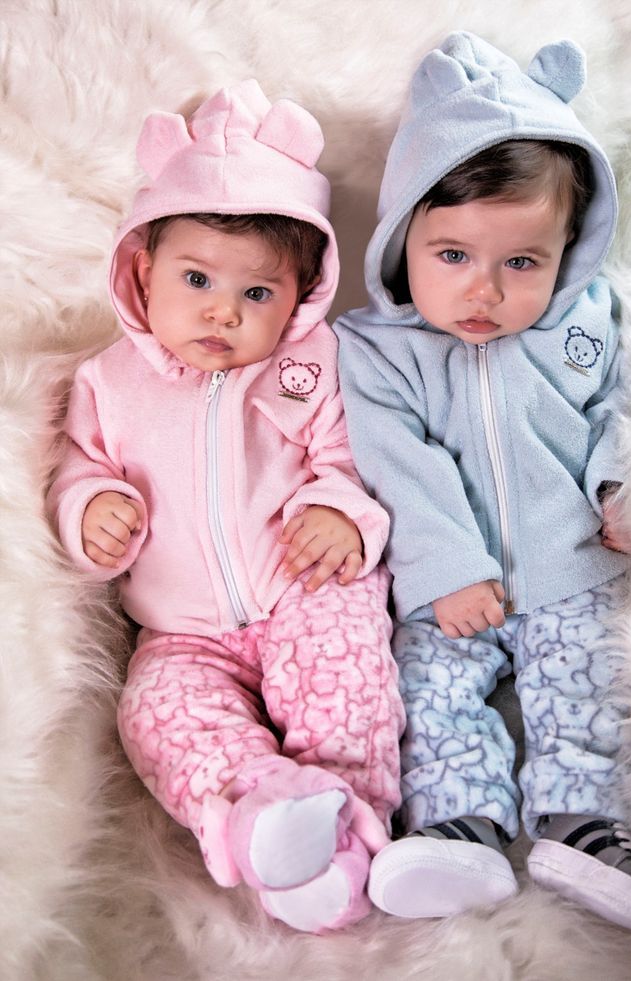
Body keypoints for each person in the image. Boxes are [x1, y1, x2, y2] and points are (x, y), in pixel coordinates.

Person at [48, 80, 405, 935]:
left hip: (301, 589)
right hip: (182, 632)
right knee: (155, 712)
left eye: (257, 294)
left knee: (343, 670)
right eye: (197, 278)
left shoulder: (310, 363)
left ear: (302, 293)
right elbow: (78, 468)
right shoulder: (109, 382)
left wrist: (338, 508)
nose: (222, 310)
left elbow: (352, 455)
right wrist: (91, 507)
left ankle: (353, 826)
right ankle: (262, 812)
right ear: (144, 272)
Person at [334, 33, 631, 931]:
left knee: (588, 686)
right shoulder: (375, 351)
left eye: (521, 263)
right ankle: (459, 828)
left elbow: (619, 406)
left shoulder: (584, 323)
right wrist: (447, 569)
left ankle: (585, 826)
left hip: (569, 561)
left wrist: (616, 486)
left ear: (567, 252)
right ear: (403, 236)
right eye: (453, 256)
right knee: (431, 693)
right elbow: (396, 463)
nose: (483, 292)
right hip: (443, 582)